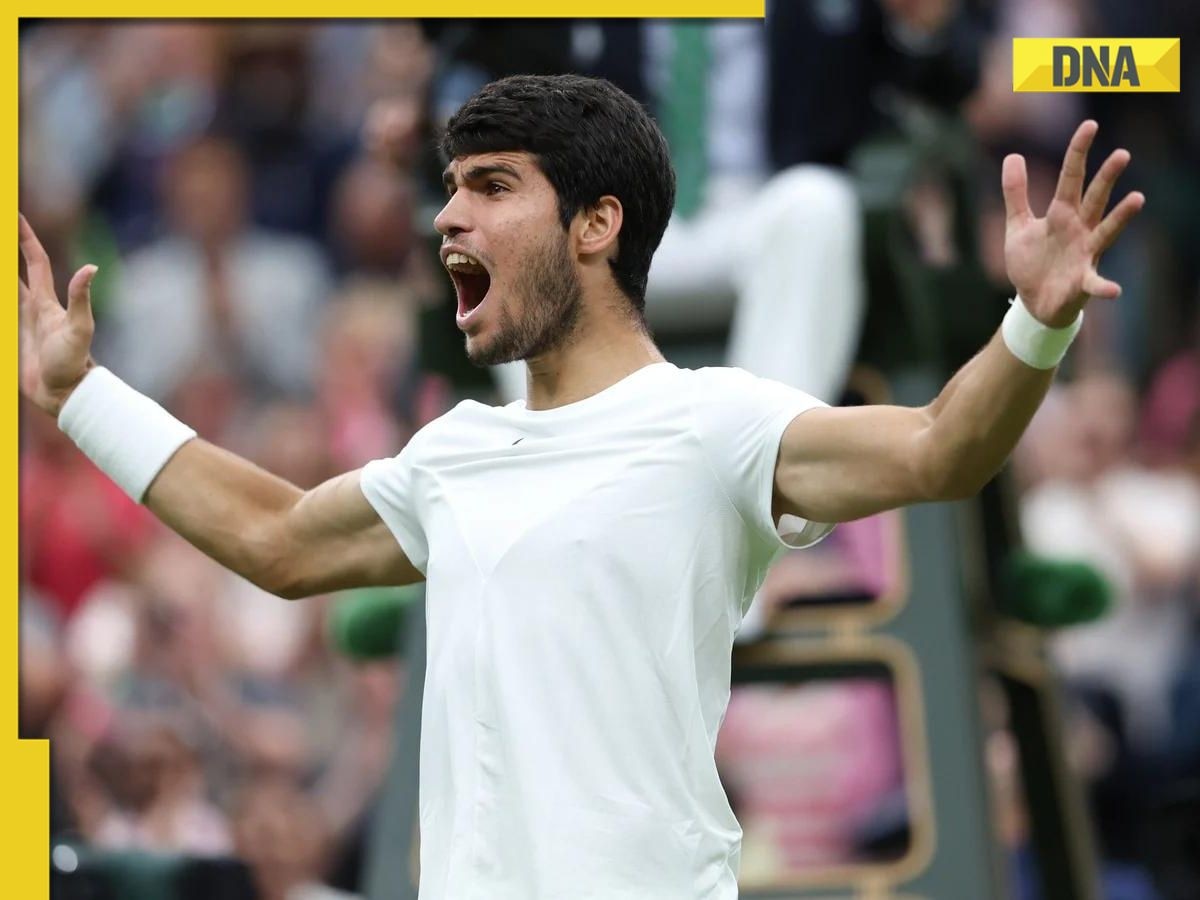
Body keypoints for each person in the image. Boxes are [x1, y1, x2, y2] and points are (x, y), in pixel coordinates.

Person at [20, 74, 1142, 899]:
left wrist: (1035, 323)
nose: (448, 218)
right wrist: (81, 395)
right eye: (450, 189)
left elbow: (941, 448)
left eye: (493, 188)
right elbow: (271, 535)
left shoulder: (719, 424)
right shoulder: (449, 455)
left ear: (598, 225)